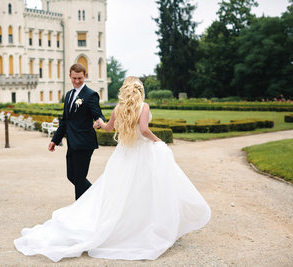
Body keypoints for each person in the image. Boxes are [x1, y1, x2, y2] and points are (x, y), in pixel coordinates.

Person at [14, 76, 211, 262]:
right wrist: (157, 140)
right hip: (141, 153)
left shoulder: (119, 107)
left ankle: (128, 225)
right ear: (140, 90)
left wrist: (98, 124)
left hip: (123, 155)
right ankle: (142, 226)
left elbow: (108, 128)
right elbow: (143, 130)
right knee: (144, 190)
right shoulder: (144, 107)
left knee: (117, 192)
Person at [48, 63, 105, 200]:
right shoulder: (68, 95)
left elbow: (98, 114)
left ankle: (80, 211)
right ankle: (98, 198)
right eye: (74, 78)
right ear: (70, 76)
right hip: (72, 143)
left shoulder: (91, 95)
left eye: (80, 78)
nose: (77, 81)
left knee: (79, 179)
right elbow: (65, 121)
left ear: (85, 76)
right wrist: (55, 140)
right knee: (71, 176)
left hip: (85, 143)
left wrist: (99, 122)